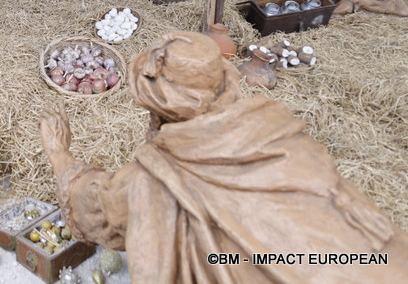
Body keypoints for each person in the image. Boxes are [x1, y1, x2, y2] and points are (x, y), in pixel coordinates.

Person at [40, 31, 408, 283]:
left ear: (159, 110)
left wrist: (59, 154)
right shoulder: (278, 129)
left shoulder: (153, 180)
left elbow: (97, 206)